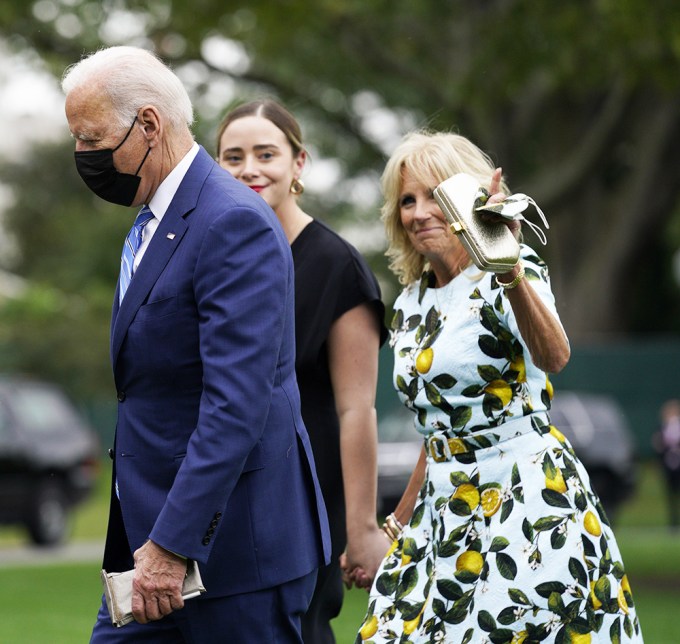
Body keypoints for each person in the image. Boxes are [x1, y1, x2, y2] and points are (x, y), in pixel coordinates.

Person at [62, 47, 330, 643]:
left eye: (92, 137)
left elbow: (236, 405)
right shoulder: (154, 219)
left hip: (233, 557)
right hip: (151, 554)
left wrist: (172, 544)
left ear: (150, 124)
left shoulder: (232, 222)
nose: (82, 155)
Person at [350, 131, 643, 642]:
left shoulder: (510, 272)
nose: (419, 213)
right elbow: (438, 427)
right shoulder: (411, 303)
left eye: (435, 196)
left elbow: (555, 356)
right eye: (407, 201)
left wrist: (505, 269)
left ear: (469, 199)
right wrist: (393, 525)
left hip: (524, 498)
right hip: (443, 509)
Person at [215, 99, 389, 643]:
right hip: (224, 499)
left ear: (299, 164)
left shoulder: (337, 266)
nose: (249, 169)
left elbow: (356, 408)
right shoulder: (216, 259)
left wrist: (362, 529)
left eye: (266, 154)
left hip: (306, 505)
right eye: (232, 156)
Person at [653, 399, 680, 530]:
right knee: (671, 495)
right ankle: (673, 523)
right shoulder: (662, 428)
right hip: (669, 465)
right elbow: (659, 446)